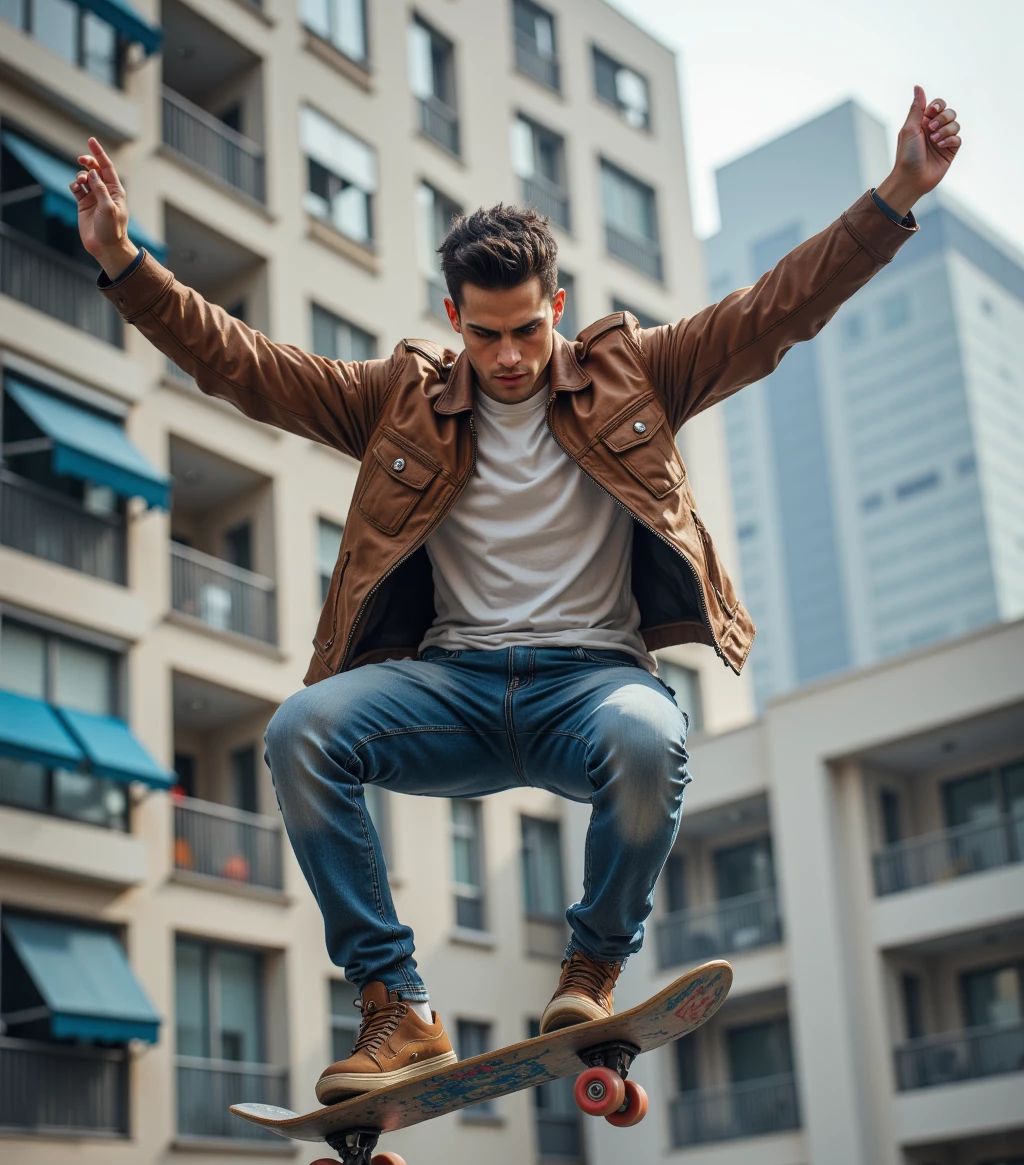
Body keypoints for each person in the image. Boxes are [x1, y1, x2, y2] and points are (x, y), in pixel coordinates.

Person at [71, 87, 960, 1104]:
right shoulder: (398, 399)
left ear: (557, 310)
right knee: (300, 730)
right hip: (448, 691)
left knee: (649, 737)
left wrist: (894, 194)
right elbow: (247, 366)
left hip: (588, 692)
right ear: (454, 318)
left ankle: (590, 971)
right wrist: (124, 265)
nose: (506, 359)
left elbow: (775, 309)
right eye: (486, 336)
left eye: (527, 333)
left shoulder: (640, 375)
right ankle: (395, 1009)